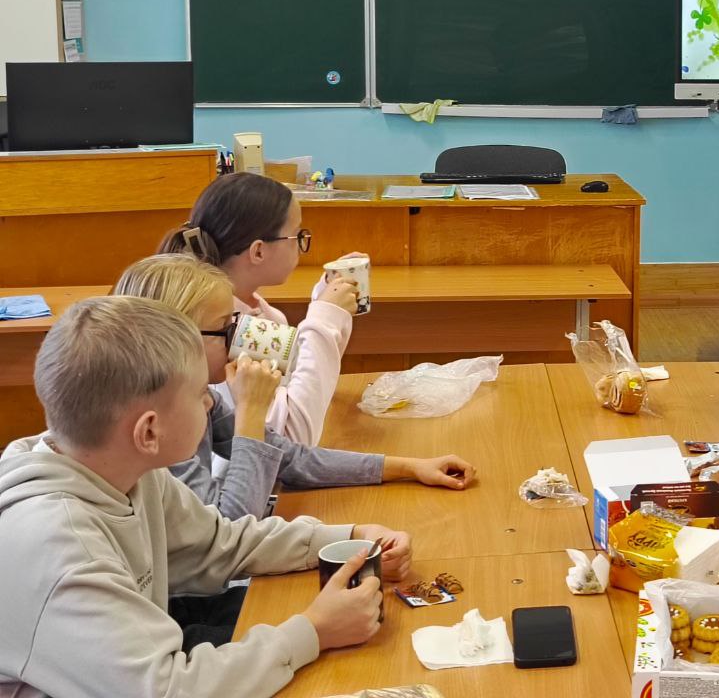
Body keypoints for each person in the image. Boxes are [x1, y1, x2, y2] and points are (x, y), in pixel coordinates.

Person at [0, 295, 411, 697]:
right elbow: (167, 690)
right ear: (149, 431)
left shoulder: (128, 472)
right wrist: (314, 631)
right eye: (200, 393)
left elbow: (219, 543)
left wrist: (348, 538)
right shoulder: (62, 550)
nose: (211, 399)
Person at [114, 253, 476, 523]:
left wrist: (410, 467)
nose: (238, 339)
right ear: (177, 339)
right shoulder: (157, 425)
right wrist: (251, 410)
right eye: (225, 328)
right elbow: (231, 524)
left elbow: (292, 460)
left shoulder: (200, 397)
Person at [161, 171, 359, 445]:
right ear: (258, 251)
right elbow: (289, 440)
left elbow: (309, 384)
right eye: (296, 235)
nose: (302, 245)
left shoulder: (261, 314)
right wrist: (324, 320)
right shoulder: (230, 330)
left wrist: (326, 305)